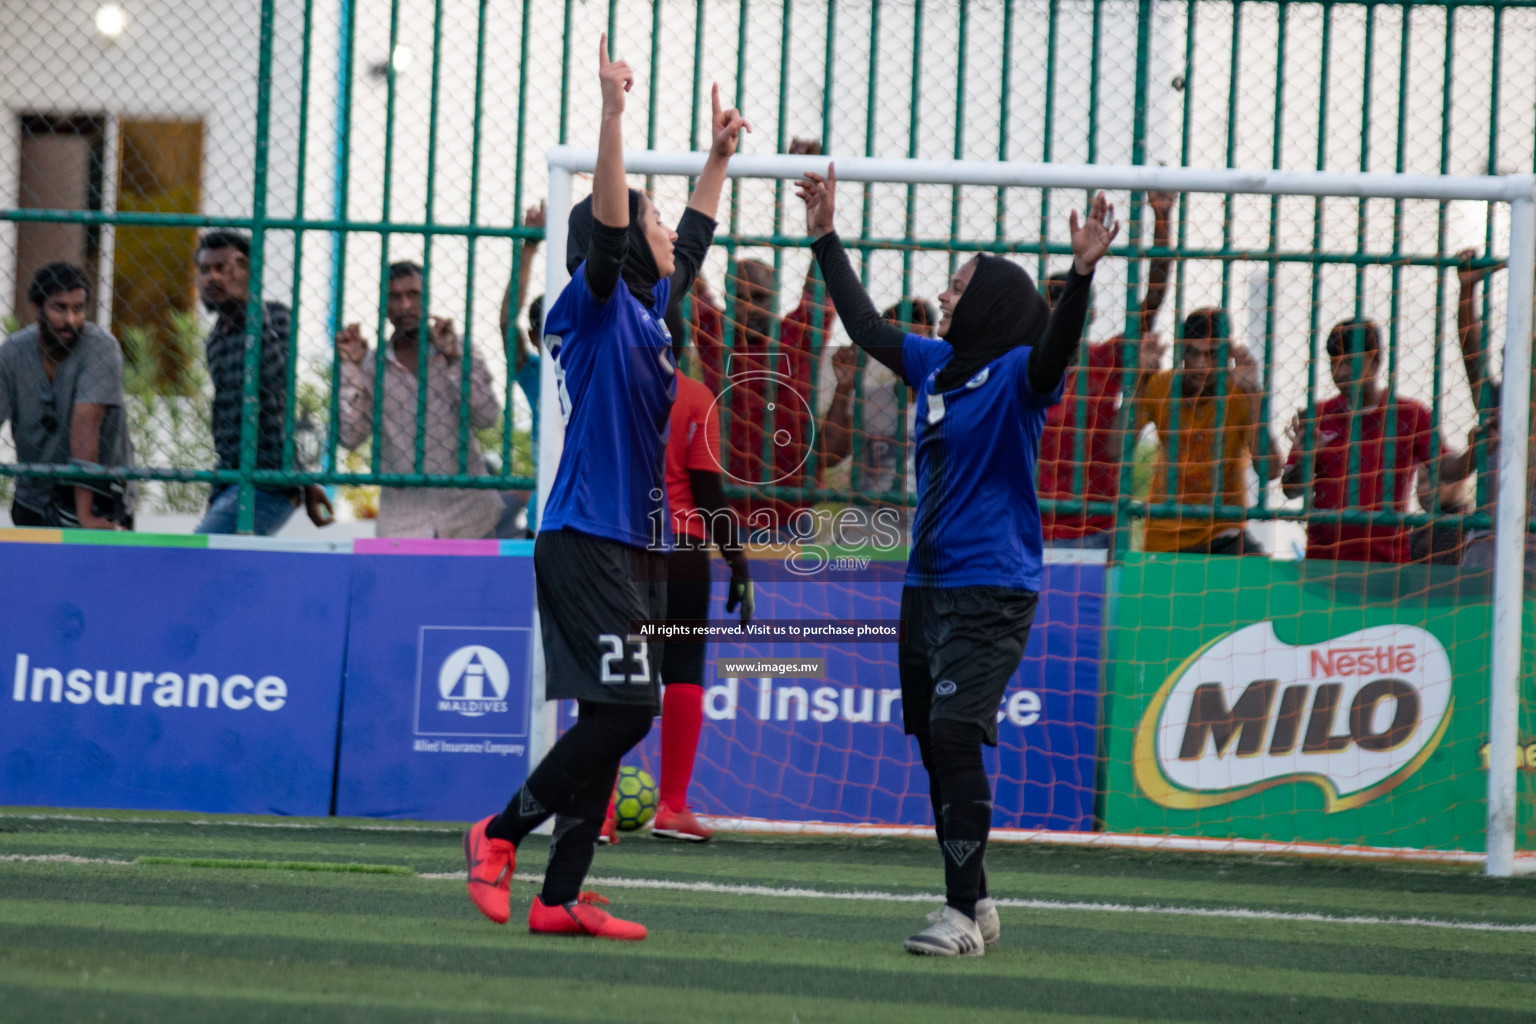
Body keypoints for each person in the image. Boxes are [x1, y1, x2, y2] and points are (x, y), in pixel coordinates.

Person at [461, 36, 747, 941]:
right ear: (621, 245)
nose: (671, 235)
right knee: (629, 706)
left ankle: (558, 898)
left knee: (607, 714)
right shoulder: (589, 310)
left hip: (617, 545)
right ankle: (498, 831)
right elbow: (619, 229)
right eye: (653, 225)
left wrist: (717, 160)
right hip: (581, 537)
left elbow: (688, 239)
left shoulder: (653, 315)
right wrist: (614, 116)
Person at [796, 164, 1116, 956]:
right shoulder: (935, 365)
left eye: (958, 284)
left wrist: (1078, 277)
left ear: (993, 301)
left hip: (993, 588)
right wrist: (825, 234)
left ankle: (960, 917)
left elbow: (1057, 346)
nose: (943, 294)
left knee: (951, 732)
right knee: (938, 744)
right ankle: (975, 899)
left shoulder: (1020, 376)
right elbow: (868, 328)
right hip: (926, 588)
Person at [650, 332, 755, 842]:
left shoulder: (609, 391)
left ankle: (598, 811)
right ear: (683, 341)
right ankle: (671, 807)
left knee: (615, 670)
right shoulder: (694, 398)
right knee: (684, 670)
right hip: (685, 551)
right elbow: (709, 494)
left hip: (623, 547)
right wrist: (738, 563)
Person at [1037, 189, 1175, 549]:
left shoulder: (1107, 358)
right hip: (1030, 529)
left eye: (1065, 304)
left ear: (1089, 313)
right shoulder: (1022, 366)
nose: (1057, 314)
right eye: (1049, 304)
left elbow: (1154, 298)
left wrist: (1162, 220)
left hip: (1096, 528)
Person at [336, 262, 505, 538]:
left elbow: (486, 417)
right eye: (394, 297)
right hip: (403, 523)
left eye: (413, 294)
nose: (405, 305)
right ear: (383, 305)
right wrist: (351, 370)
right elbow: (350, 436)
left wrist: (452, 360)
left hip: (470, 515)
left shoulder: (459, 350)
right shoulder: (369, 366)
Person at [1282, 318, 1469, 563]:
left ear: (1376, 361)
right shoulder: (1318, 416)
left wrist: (1476, 451)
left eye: (1350, 362)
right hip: (1323, 561)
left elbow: (1447, 469)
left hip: (1386, 564)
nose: (1341, 373)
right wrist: (1306, 459)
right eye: (1334, 364)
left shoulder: (1410, 415)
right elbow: (1290, 489)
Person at [193, 231, 333, 535]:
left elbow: (274, 381)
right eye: (205, 270)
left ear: (247, 272)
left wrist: (251, 305)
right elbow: (232, 420)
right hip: (233, 477)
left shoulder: (276, 316)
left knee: (199, 557)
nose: (211, 278)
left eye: (222, 268)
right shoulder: (217, 338)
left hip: (269, 481)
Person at [1132, 309, 1280, 554]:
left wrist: (1255, 395)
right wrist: (1139, 382)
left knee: (1264, 578)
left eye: (1211, 354)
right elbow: (1116, 449)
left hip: (1223, 532)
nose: (1202, 365)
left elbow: (1270, 471)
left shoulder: (1240, 393)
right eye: (1193, 353)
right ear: (1180, 351)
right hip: (1166, 535)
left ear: (1228, 355)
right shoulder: (1161, 386)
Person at [0, 262, 134, 529]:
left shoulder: (101, 347)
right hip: (34, 496)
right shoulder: (12, 353)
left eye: (78, 308)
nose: (70, 319)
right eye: (59, 308)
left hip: (99, 498)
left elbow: (85, 428)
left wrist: (85, 517)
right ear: (37, 308)